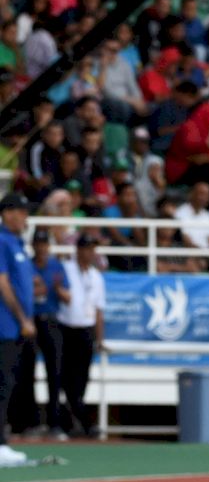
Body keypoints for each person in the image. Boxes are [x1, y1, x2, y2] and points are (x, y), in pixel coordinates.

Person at [57, 234, 105, 438]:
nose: (89, 252)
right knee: (66, 378)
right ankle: (81, 421)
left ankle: (75, 420)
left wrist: (99, 338)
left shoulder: (96, 276)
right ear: (77, 250)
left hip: (86, 330)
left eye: (92, 249)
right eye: (86, 248)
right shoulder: (66, 268)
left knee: (82, 378)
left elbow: (99, 310)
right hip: (66, 327)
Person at [24, 229, 70, 440]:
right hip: (30, 321)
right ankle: (31, 423)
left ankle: (55, 423)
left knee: (55, 372)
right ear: (33, 245)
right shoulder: (26, 264)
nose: (41, 247)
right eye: (38, 243)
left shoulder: (56, 266)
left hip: (51, 321)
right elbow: (20, 292)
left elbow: (68, 297)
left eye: (44, 244)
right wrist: (34, 290)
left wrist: (56, 289)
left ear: (48, 246)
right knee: (27, 373)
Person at [0, 192, 34, 466]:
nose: (18, 216)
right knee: (2, 383)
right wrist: (23, 318)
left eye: (21, 211)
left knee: (8, 382)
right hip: (5, 324)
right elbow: (2, 282)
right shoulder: (2, 241)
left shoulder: (18, 243)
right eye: (13, 211)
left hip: (14, 327)